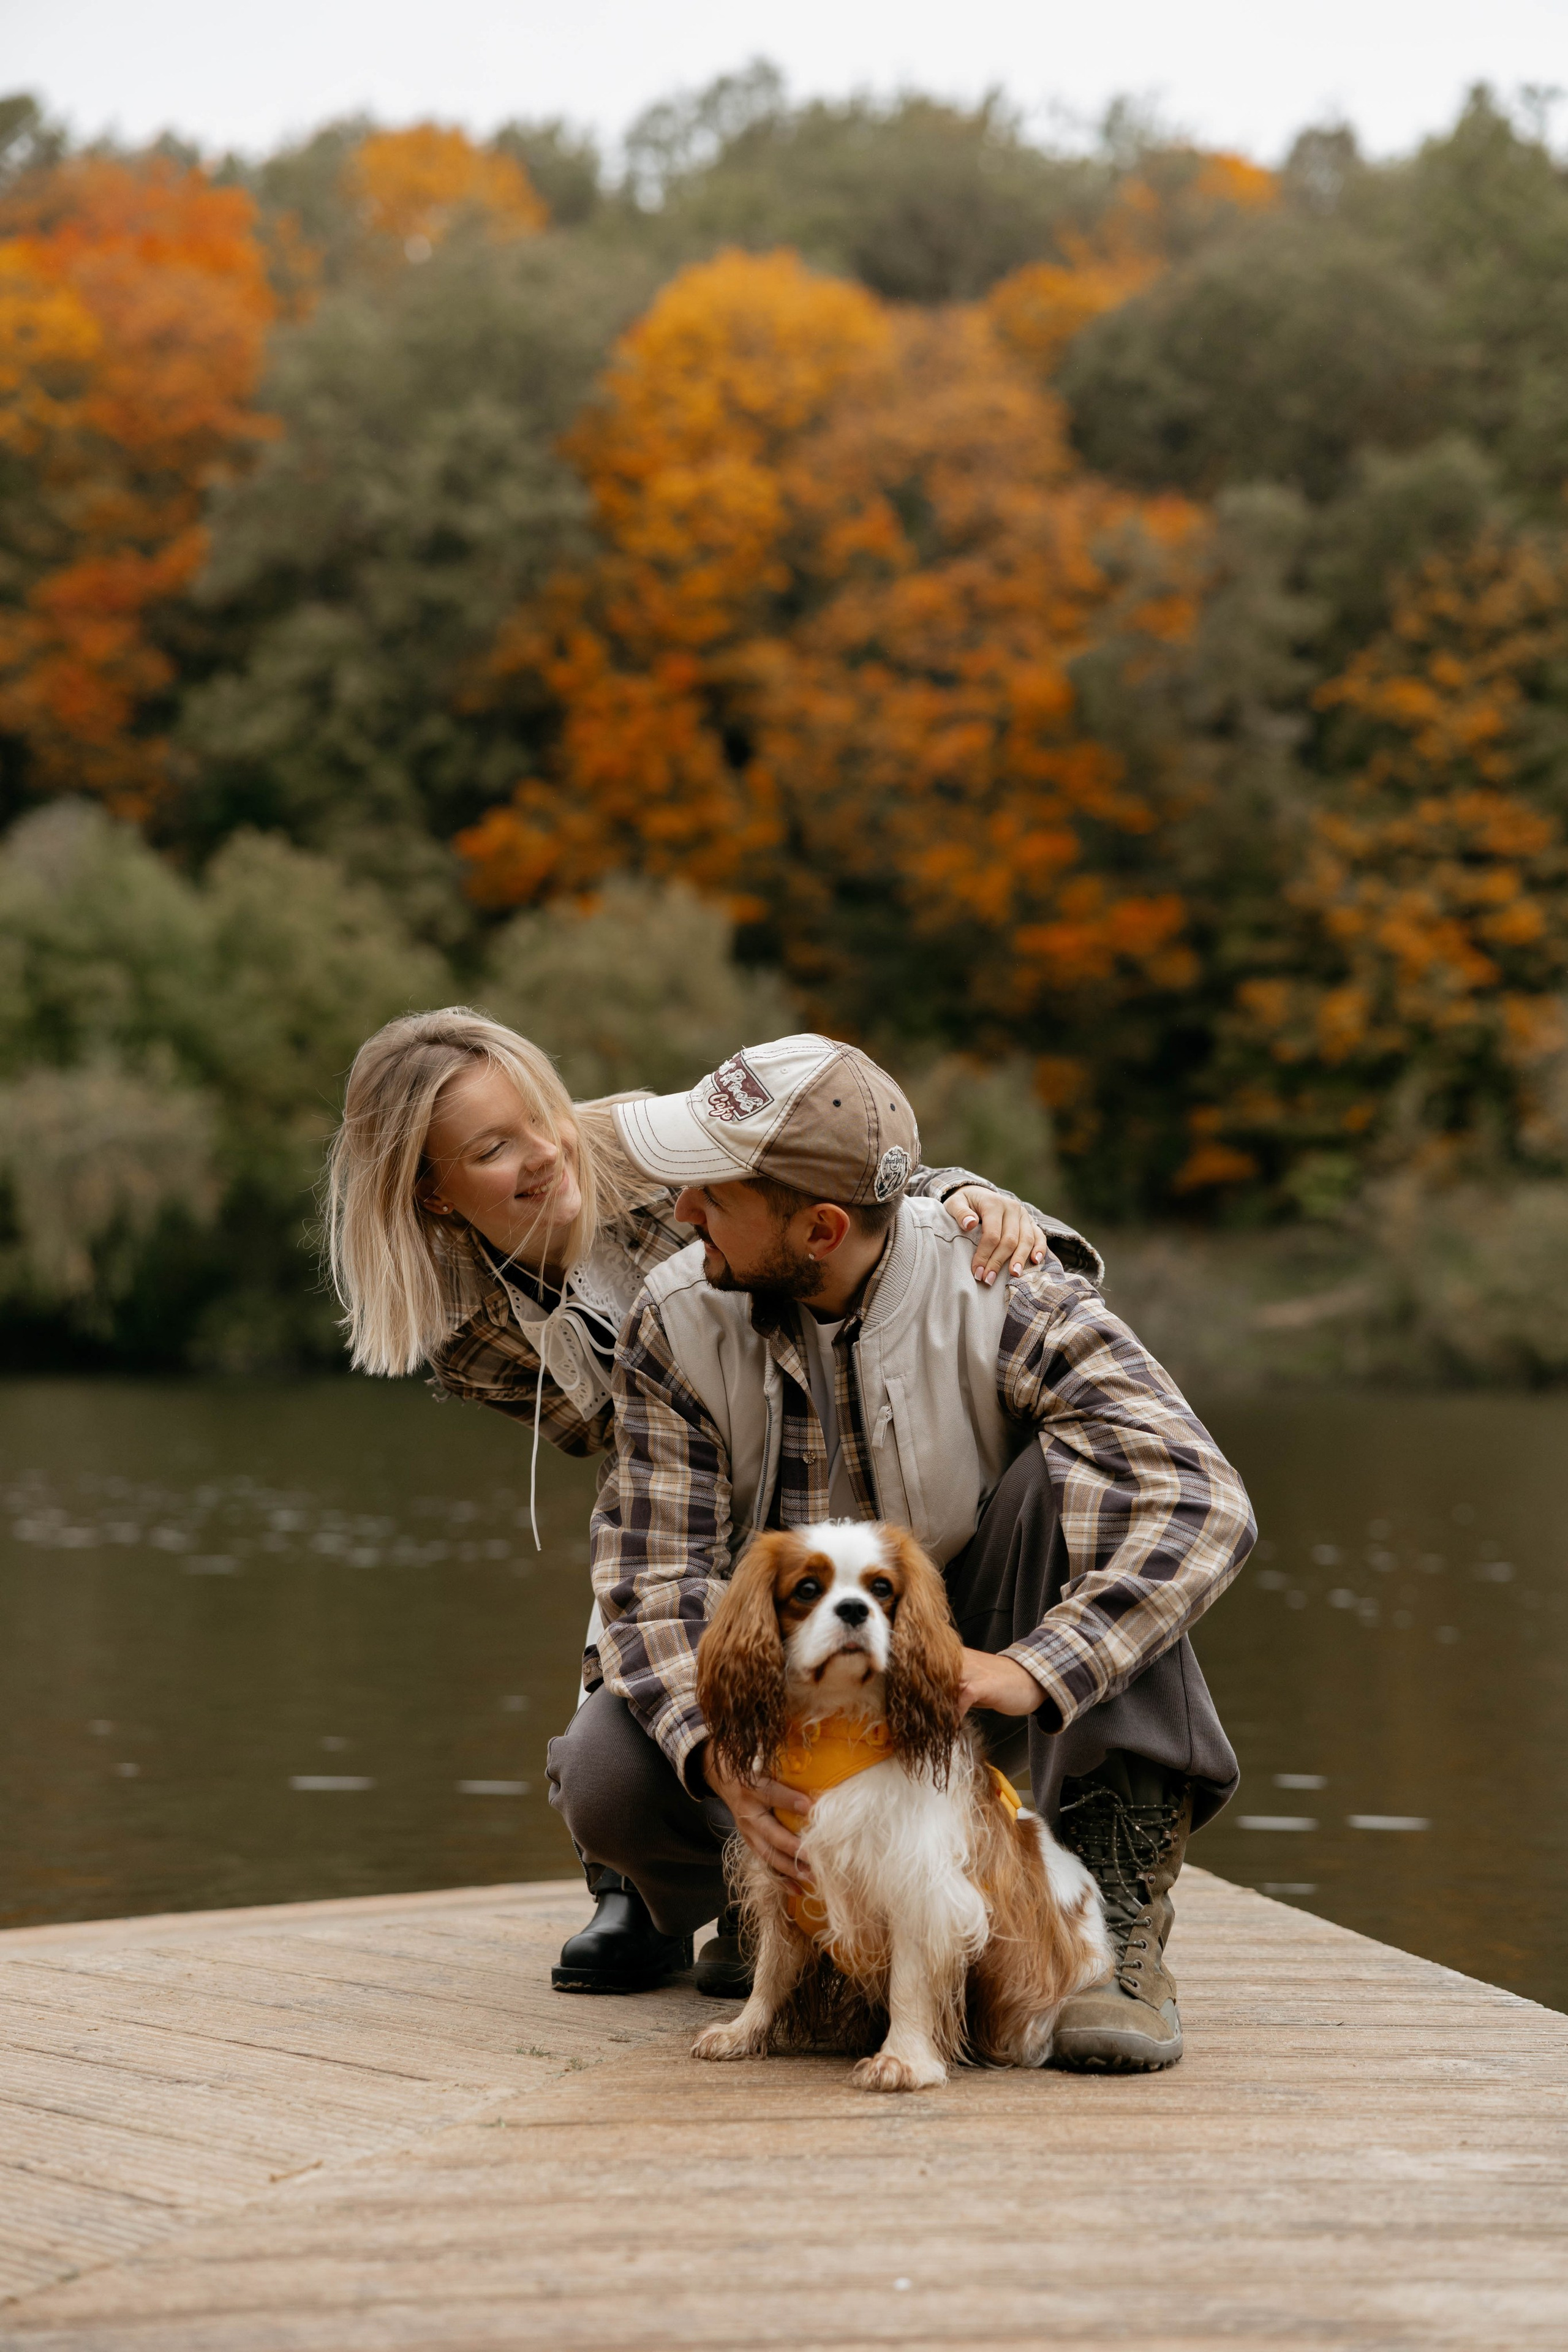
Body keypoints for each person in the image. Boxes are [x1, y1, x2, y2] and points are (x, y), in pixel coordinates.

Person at [547, 1033, 1256, 2070]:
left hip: (973, 1675)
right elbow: (653, 1579)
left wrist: (1028, 1669)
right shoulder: (675, 1316)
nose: (681, 1211)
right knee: (607, 1773)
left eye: (711, 1192)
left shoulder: (1005, 1288)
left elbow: (1200, 1497)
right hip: (786, 1687)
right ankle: (782, 1903)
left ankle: (1110, 1919)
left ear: (822, 1226)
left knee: (1086, 1482)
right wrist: (716, 1758)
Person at [325, 1006, 1059, 1992]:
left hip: (815, 1422)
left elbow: (837, 1164)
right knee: (636, 1609)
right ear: (432, 1192)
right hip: (684, 1464)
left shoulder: (643, 1142)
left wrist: (965, 1191)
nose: (548, 1155)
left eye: (542, 1115)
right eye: (496, 1149)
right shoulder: (462, 1321)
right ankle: (658, 1885)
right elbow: (627, 1480)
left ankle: (810, 1880)